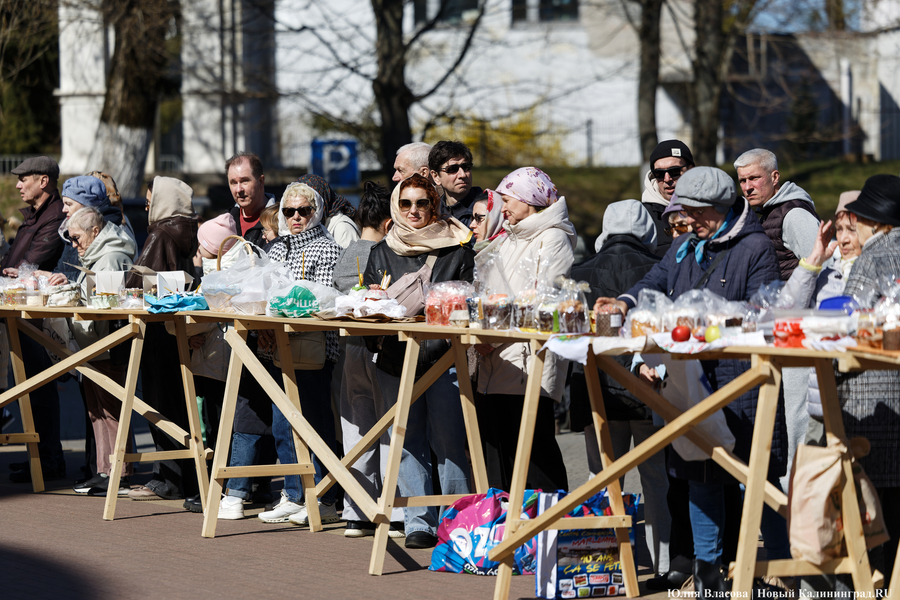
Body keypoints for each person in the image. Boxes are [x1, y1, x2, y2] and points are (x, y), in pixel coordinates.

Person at [594, 166, 786, 594]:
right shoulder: (682, 246)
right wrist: (625, 303)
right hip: (689, 380)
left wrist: (710, 320)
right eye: (685, 211)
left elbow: (764, 308)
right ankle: (709, 576)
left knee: (759, 476)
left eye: (698, 212)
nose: (689, 220)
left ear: (721, 208)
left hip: (743, 382)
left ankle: (782, 574)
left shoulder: (755, 246)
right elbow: (654, 282)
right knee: (699, 473)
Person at [363, 173, 474, 549]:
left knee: (449, 442)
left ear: (435, 205)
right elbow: (364, 302)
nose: (413, 211)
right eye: (406, 203)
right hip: (395, 359)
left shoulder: (457, 247)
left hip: (444, 359)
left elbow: (470, 301)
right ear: (396, 206)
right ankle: (418, 522)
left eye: (422, 203)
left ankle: (458, 520)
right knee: (407, 441)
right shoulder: (381, 250)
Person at [569, 200, 671, 581]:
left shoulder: (578, 273)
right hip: (648, 387)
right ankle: (664, 566)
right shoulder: (658, 272)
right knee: (657, 482)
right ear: (648, 231)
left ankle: (607, 565)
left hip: (596, 392)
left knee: (603, 481)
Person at [474, 167, 576, 493]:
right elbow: (490, 292)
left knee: (537, 454)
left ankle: (550, 528)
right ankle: (507, 531)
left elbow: (544, 298)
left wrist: (496, 330)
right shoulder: (506, 237)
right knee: (500, 455)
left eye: (507, 199)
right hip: (496, 358)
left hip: (529, 361)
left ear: (529, 199)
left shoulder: (553, 237)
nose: (502, 208)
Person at [254, 182, 343, 526]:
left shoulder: (326, 248)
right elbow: (266, 292)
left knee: (314, 424)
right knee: (282, 424)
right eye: (287, 211)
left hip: (314, 346)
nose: (294, 217)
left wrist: (284, 301)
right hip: (279, 345)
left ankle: (323, 497)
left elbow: (321, 301)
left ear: (316, 212)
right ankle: (293, 494)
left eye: (303, 211)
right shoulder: (277, 249)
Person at [832, 174, 900, 586]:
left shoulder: (872, 258)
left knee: (870, 505)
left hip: (868, 396)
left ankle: (867, 587)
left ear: (874, 221)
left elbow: (848, 325)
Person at [329, 182, 401, 537]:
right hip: (383, 346)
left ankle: (356, 507)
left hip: (349, 348)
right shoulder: (387, 253)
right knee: (390, 425)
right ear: (390, 222)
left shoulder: (348, 253)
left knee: (355, 426)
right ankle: (394, 507)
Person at [124, 176, 201, 502]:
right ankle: (187, 477)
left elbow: (135, 279)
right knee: (180, 403)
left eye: (150, 199)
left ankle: (167, 477)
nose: (145, 206)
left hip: (156, 329)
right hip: (178, 328)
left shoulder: (160, 232)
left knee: (158, 404)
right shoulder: (188, 231)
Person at [59, 207, 138, 496]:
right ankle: (104, 469)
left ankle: (119, 471)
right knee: (96, 411)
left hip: (108, 346)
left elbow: (110, 305)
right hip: (93, 346)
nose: (74, 245)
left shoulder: (112, 256)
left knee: (111, 411)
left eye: (77, 238)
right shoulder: (97, 254)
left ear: (95, 232)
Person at [4, 156, 66, 483]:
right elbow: (13, 264)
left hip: (36, 316)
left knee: (38, 388)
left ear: (43, 181)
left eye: (23, 178)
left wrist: (12, 272)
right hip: (23, 312)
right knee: (30, 390)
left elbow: (28, 266)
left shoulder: (54, 217)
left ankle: (48, 462)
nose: (17, 184)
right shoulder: (35, 216)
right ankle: (39, 460)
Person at [734, 148, 820, 280]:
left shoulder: (795, 215)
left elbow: (822, 268)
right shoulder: (768, 213)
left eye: (754, 178)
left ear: (774, 177)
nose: (747, 188)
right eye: (742, 181)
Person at [38, 175, 132, 284]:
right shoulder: (73, 228)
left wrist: (56, 277)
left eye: (69, 204)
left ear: (88, 206)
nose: (63, 209)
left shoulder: (105, 231)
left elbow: (100, 288)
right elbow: (69, 270)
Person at [641, 140, 695, 258]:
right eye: (659, 173)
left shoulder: (709, 211)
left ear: (690, 170)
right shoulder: (642, 218)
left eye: (674, 171)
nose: (667, 179)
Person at [225, 152, 277, 246]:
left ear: (261, 181)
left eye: (244, 181)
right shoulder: (225, 222)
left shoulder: (282, 220)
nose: (238, 189)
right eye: (233, 183)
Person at [297, 174, 360, 248]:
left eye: (304, 210)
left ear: (321, 201)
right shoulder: (320, 225)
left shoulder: (343, 229)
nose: (296, 216)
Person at [428, 140, 482, 227]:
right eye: (452, 169)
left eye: (466, 167)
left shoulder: (491, 209)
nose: (462, 174)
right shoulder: (430, 214)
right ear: (436, 177)